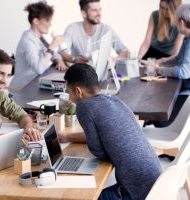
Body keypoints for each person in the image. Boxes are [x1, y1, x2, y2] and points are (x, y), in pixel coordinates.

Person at [61, 64, 161, 200]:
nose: (69, 98)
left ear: (78, 91)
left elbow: (99, 152)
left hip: (135, 192)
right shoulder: (114, 100)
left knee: (83, 196)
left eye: (68, 92)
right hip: (156, 182)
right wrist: (67, 137)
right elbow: (108, 134)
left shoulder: (84, 107)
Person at [0, 49, 42, 149]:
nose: (5, 81)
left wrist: (29, 129)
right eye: (0, 74)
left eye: (8, 75)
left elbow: (22, 115)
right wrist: (11, 140)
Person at [145, 4, 190, 128]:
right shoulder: (187, 39)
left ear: (181, 22)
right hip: (184, 87)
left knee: (160, 120)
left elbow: (183, 72)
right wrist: (163, 61)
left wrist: (160, 70)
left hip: (187, 92)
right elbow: (178, 59)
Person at [10, 1, 67, 90]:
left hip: (32, 85)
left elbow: (52, 54)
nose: (50, 24)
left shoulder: (39, 38)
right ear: (36, 21)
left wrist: (58, 60)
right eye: (47, 20)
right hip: (20, 91)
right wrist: (53, 45)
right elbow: (39, 68)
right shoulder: (28, 41)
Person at [61, 0, 129, 64]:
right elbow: (61, 51)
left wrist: (112, 60)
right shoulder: (72, 28)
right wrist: (74, 59)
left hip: (100, 75)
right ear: (84, 13)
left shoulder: (106, 29)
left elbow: (125, 52)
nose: (99, 14)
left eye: (100, 9)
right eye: (94, 10)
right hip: (79, 72)